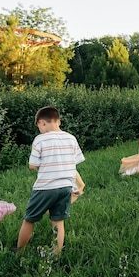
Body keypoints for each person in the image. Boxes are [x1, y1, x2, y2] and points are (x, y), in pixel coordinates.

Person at [17, 106, 85, 255]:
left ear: (42, 123)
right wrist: (80, 184)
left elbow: (33, 166)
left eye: (39, 127)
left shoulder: (40, 139)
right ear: (58, 121)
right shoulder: (71, 138)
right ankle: (56, 253)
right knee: (58, 221)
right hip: (66, 187)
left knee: (29, 219)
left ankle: (19, 252)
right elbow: (73, 164)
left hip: (45, 188)